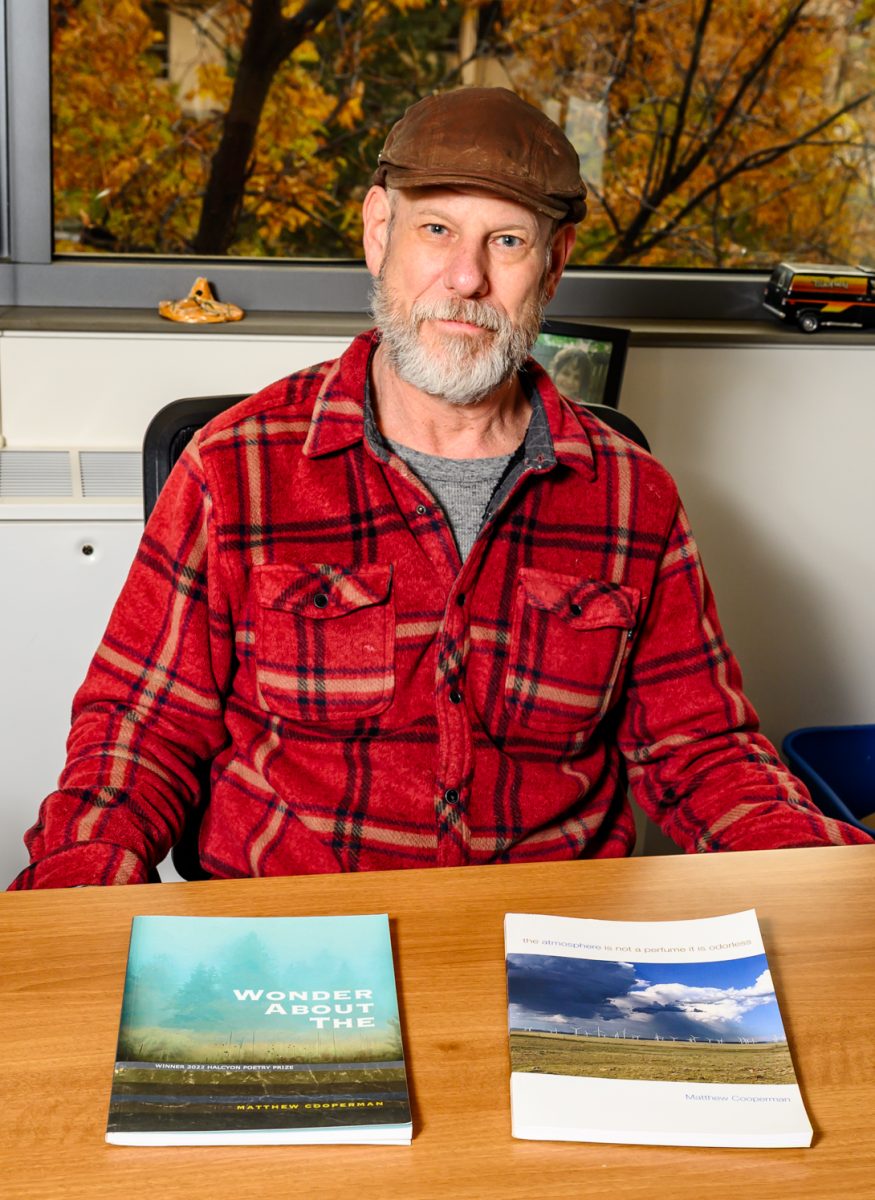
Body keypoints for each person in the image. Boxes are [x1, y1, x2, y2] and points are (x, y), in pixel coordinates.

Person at [10, 87, 868, 890]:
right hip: (295, 935)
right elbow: (139, 734)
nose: (465, 279)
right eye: (436, 231)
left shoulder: (630, 497)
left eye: (506, 241)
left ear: (553, 263)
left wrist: (835, 886)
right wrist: (73, 905)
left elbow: (702, 751)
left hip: (552, 931)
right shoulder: (233, 468)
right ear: (379, 232)